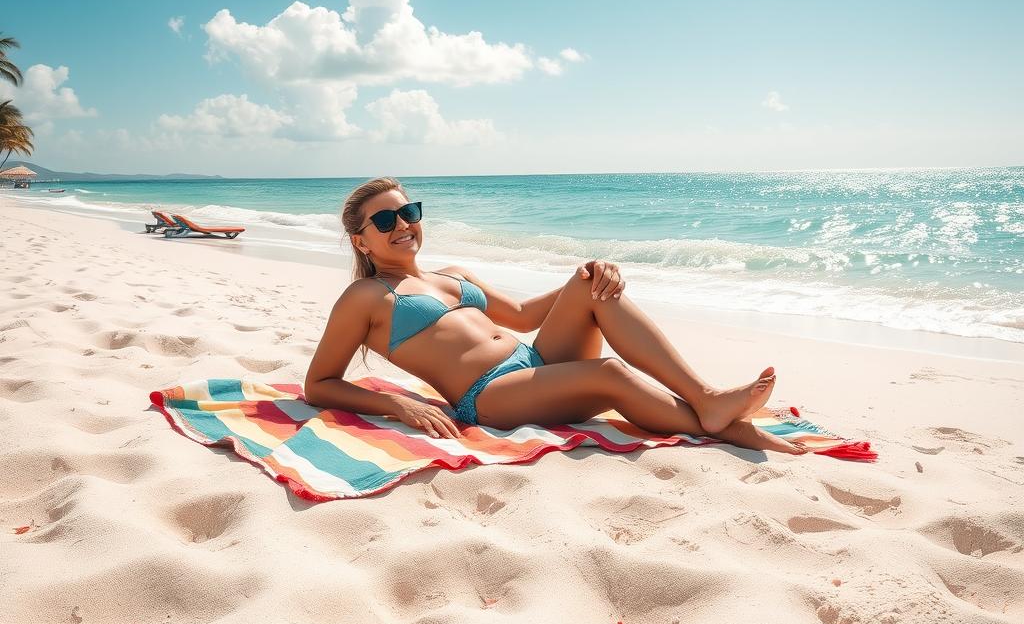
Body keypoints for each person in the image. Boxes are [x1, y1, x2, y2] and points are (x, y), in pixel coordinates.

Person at [305, 177, 808, 455]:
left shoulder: (453, 274)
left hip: (537, 360)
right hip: (489, 396)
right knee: (609, 372)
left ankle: (706, 399)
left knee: (593, 285)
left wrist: (585, 273)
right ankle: (723, 426)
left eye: (409, 212)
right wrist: (401, 408)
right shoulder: (367, 296)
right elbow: (320, 382)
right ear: (360, 240)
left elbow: (524, 316)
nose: (403, 225)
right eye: (385, 221)